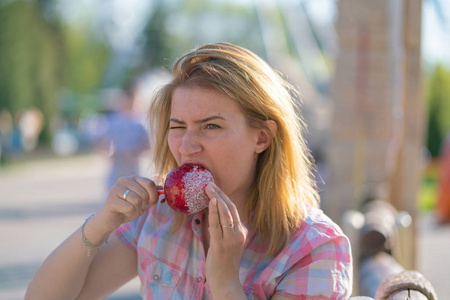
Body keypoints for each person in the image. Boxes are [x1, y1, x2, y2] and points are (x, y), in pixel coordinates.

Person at [25, 42, 352, 299]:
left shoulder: (314, 247)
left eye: (211, 126)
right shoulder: (158, 218)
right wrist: (100, 225)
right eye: (178, 126)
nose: (187, 145)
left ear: (262, 137)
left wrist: (225, 285)